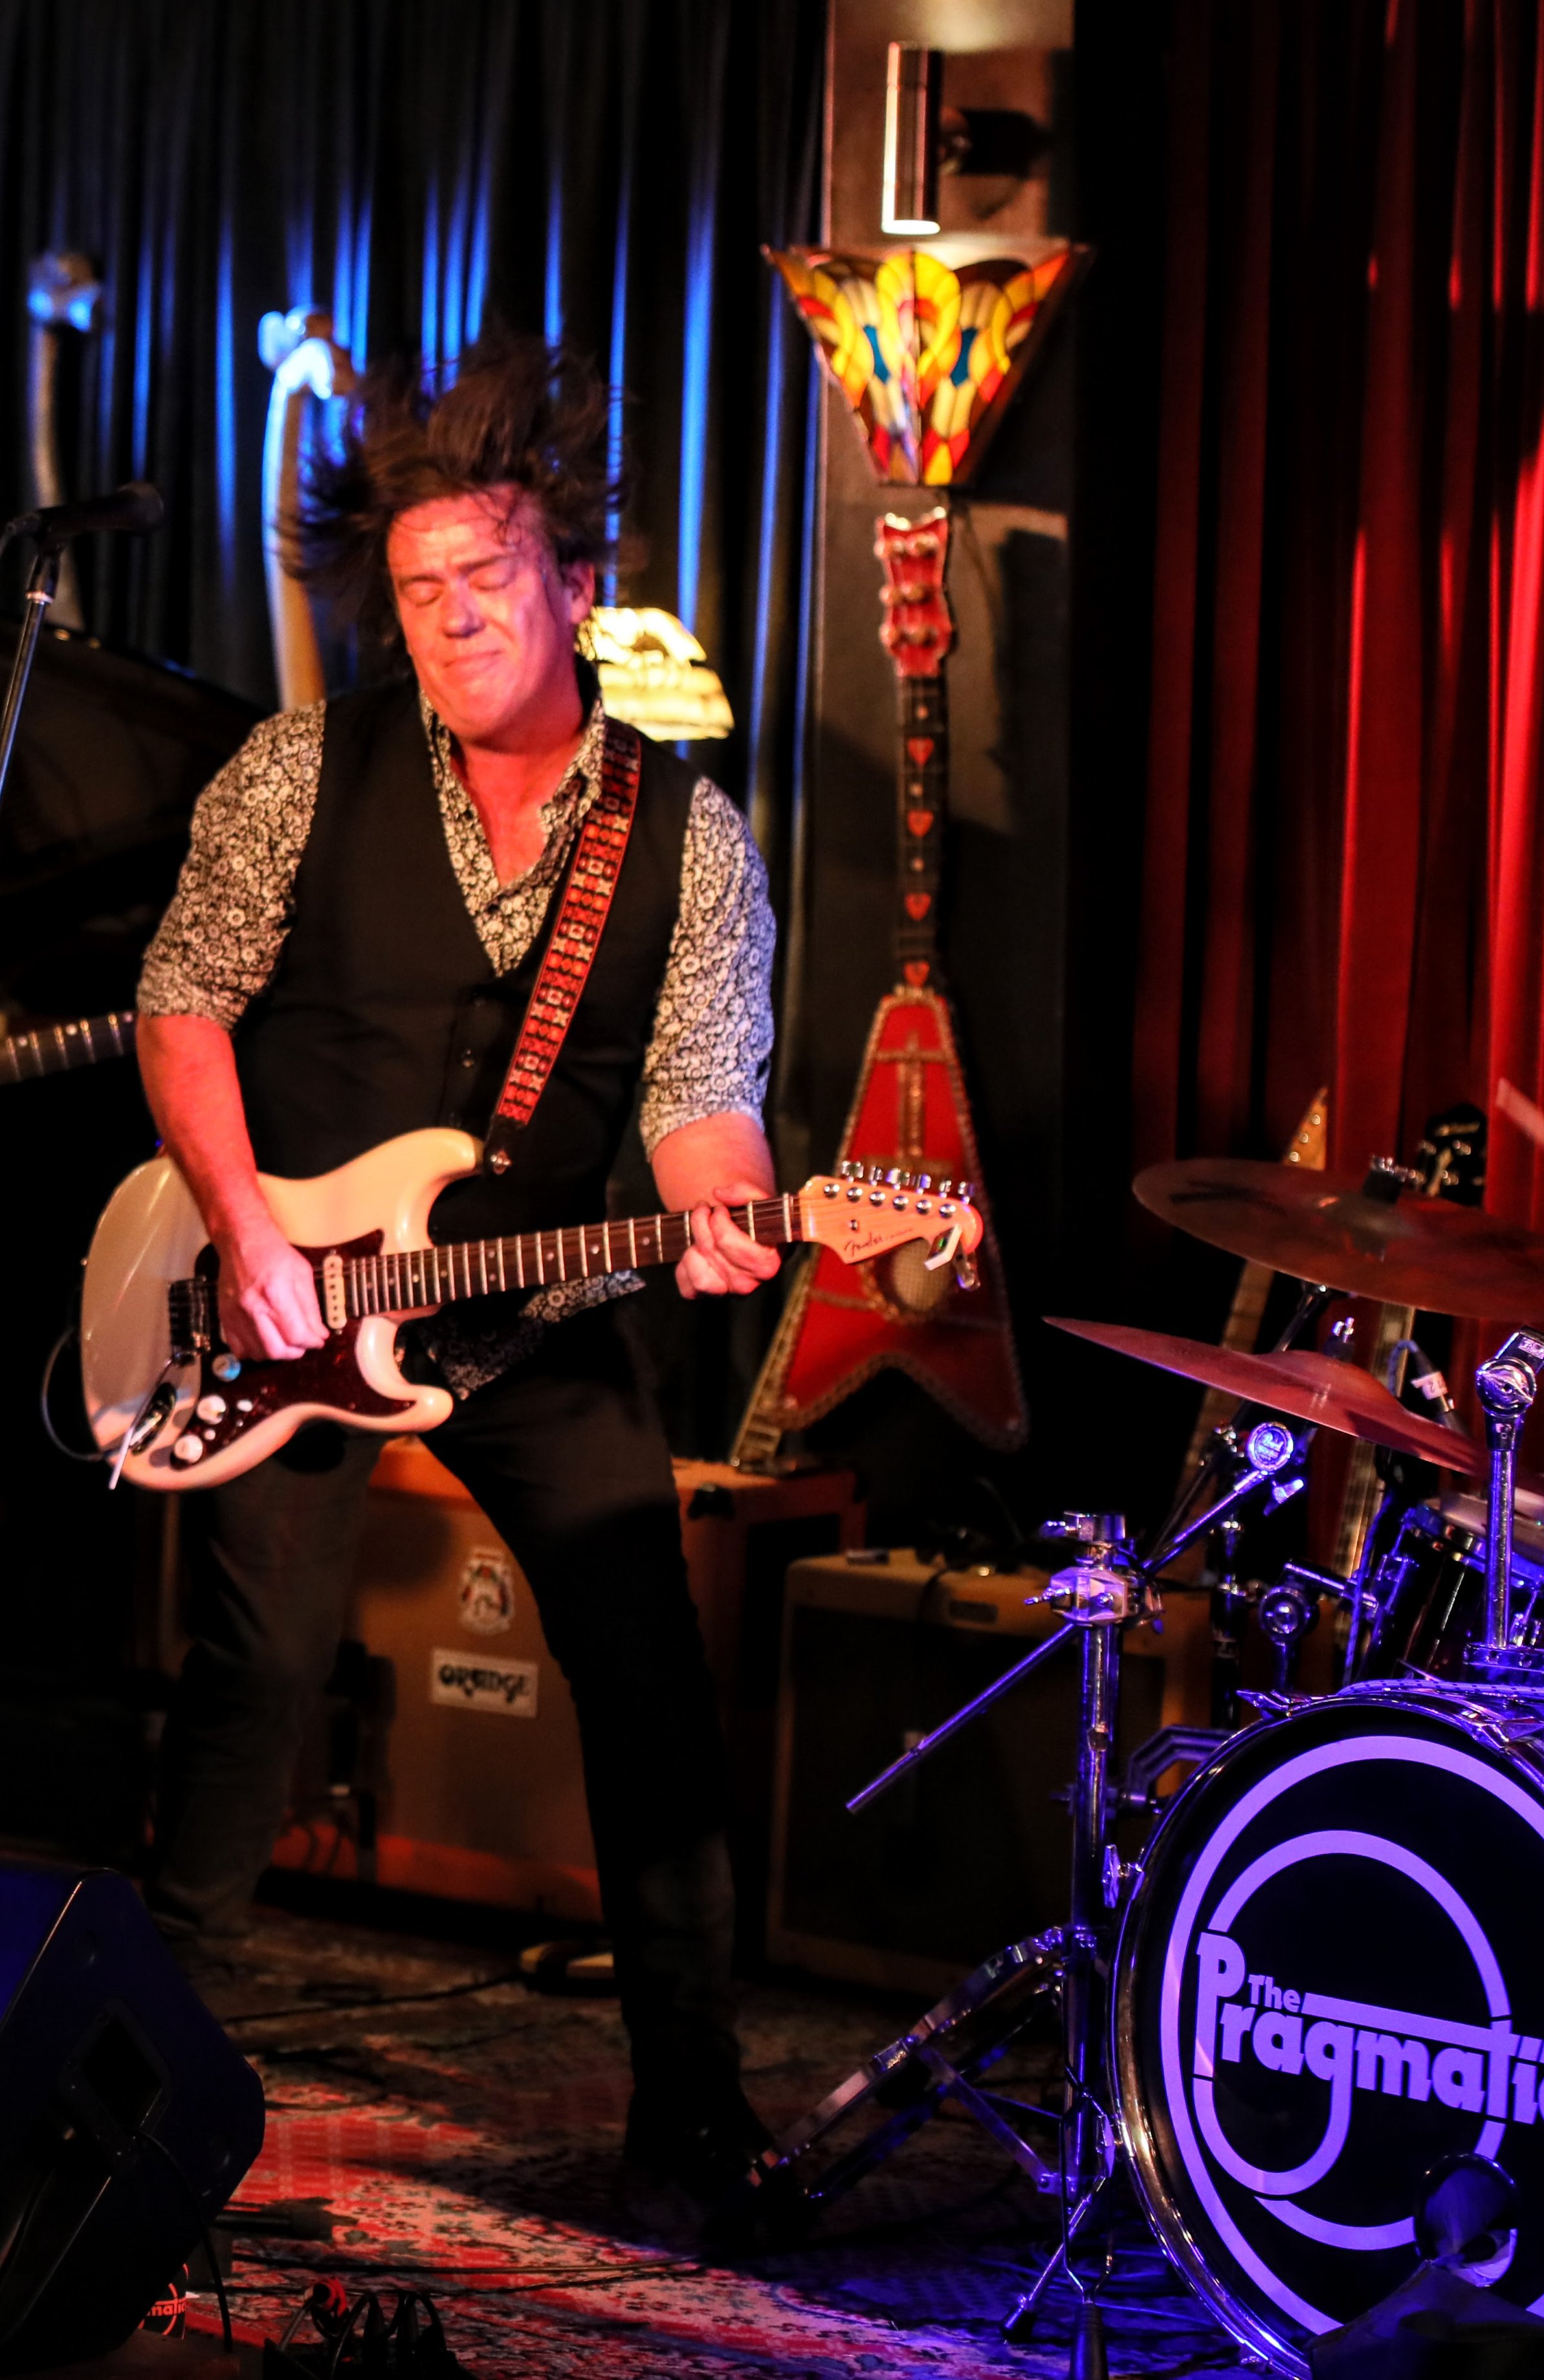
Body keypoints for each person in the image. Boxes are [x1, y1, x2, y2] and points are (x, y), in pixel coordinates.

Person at [134, 334, 780, 2238]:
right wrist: (250, 1237)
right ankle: (132, 2068)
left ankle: (694, 2106)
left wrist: (731, 1210)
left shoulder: (690, 839)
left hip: (532, 1321)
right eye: (414, 594)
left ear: (575, 584)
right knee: (255, 1671)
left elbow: (700, 1106)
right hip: (282, 1306)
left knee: (648, 1676)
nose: (444, 621)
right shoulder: (296, 769)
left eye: (481, 584)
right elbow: (183, 1004)